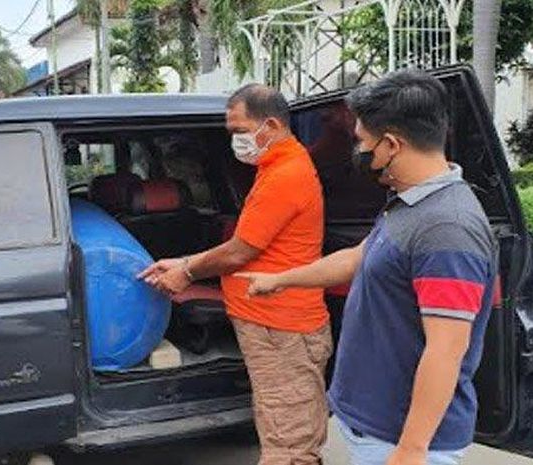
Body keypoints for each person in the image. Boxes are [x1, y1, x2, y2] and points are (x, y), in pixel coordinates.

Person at [237, 70, 497, 465]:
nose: (357, 149)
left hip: (400, 442)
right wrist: (281, 279)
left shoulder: (447, 229)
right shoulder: (409, 202)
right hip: (373, 428)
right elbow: (358, 257)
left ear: (392, 144)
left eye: (361, 141)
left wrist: (411, 451)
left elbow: (446, 350)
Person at [139, 84, 331, 465]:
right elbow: (248, 244)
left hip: (283, 326)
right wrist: (182, 262)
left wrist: (188, 272)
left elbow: (241, 251)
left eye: (240, 131)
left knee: (289, 447)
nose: (235, 141)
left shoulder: (286, 175)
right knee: (280, 424)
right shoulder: (274, 167)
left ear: (271, 125)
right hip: (272, 323)